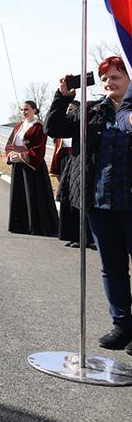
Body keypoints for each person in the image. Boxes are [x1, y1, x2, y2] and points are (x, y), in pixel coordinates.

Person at [49, 56, 132, 352]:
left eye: (116, 77)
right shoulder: (93, 111)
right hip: (100, 202)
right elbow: (54, 127)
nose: (110, 82)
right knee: (112, 267)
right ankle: (122, 325)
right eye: (106, 78)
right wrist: (63, 95)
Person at [5, 100, 58, 237]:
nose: (24, 112)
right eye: (22, 109)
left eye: (27, 109)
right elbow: (10, 143)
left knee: (33, 196)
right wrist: (11, 154)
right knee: (20, 195)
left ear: (35, 110)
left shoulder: (39, 127)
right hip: (18, 166)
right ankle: (20, 225)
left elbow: (39, 149)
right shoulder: (18, 126)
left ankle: (37, 226)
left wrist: (22, 156)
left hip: (33, 168)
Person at [49, 100, 89, 245]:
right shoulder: (65, 127)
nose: (68, 112)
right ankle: (72, 235)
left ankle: (84, 237)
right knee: (67, 199)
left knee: (79, 200)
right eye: (67, 110)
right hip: (68, 162)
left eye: (71, 109)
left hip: (79, 160)